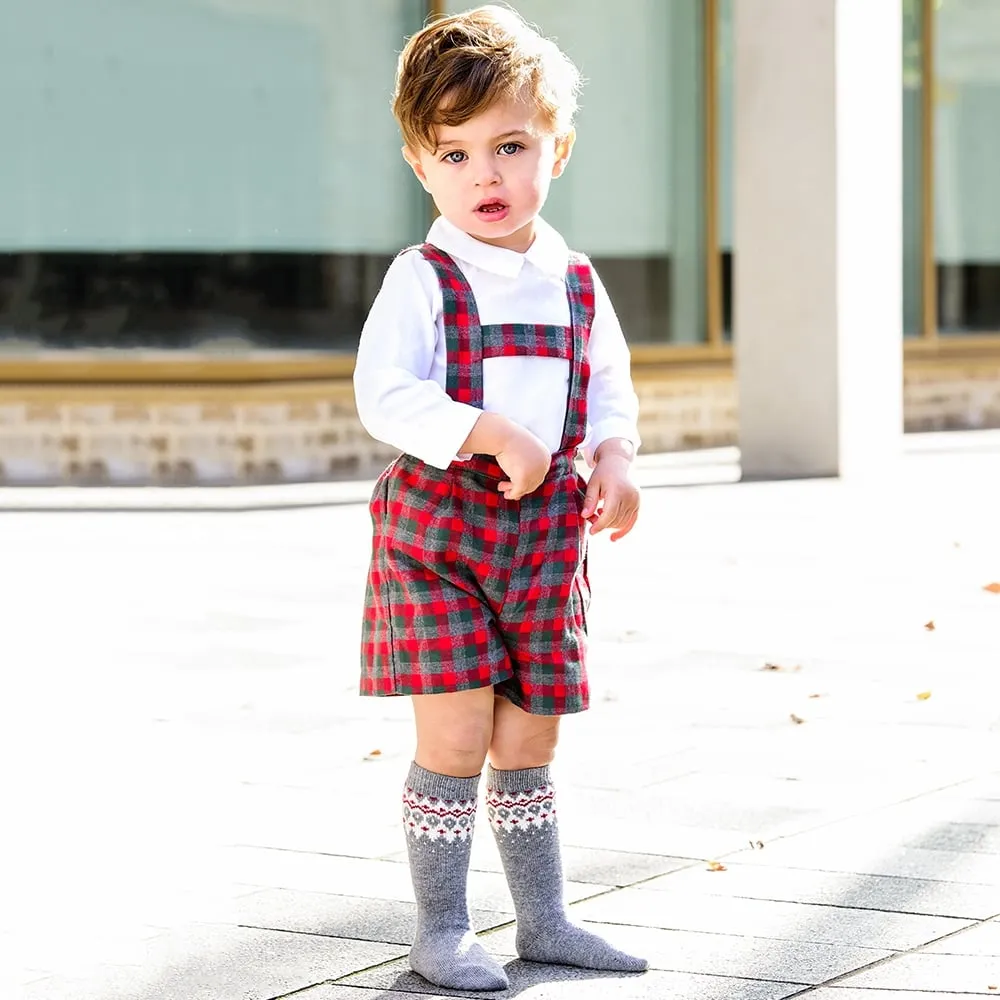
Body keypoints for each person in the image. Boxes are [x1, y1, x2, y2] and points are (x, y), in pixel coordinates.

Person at [353, 4, 645, 991]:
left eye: (510, 146)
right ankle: (440, 926)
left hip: (544, 538)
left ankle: (546, 917)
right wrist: (485, 430)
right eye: (456, 151)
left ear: (555, 150)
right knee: (458, 731)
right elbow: (385, 392)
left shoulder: (575, 279)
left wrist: (614, 454)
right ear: (419, 163)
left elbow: (606, 380)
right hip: (440, 533)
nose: (485, 174)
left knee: (529, 733)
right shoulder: (424, 278)